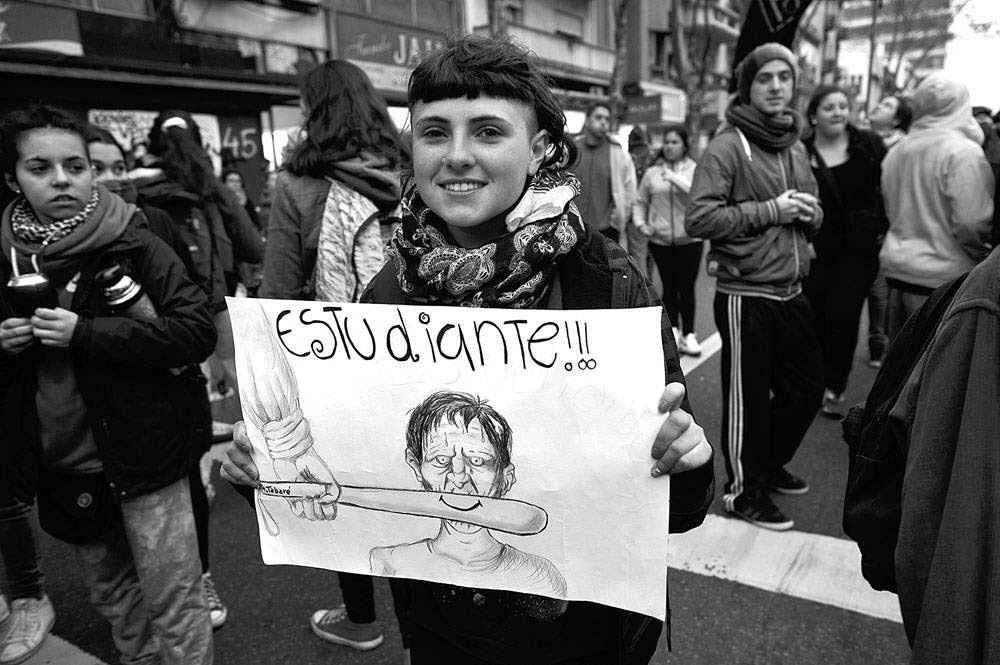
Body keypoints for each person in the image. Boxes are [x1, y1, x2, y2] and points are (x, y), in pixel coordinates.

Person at [224, 35, 714, 665]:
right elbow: (342, 484)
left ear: (538, 149)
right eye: (434, 132)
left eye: (487, 131)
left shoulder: (608, 283)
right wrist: (264, 473)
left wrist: (688, 462)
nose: (457, 156)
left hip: (582, 638)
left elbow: (674, 511)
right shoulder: (387, 291)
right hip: (440, 633)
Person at [0, 105, 216, 664]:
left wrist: (86, 333)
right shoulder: (4, 256)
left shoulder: (134, 240)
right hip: (63, 463)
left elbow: (193, 331)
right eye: (40, 168)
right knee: (116, 599)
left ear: (93, 173)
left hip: (146, 453)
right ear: (12, 179)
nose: (62, 180)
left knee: (176, 601)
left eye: (75, 166)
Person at [258, 57, 406, 655]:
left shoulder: (297, 187)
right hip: (414, 354)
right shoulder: (410, 172)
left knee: (347, 489)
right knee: (422, 480)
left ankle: (363, 618)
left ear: (311, 111)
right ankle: (426, 623)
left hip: (335, 363)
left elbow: (277, 294)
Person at [83, 125, 227, 630]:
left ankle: (201, 574)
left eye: (115, 167)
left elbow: (193, 311)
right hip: (96, 425)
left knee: (185, 498)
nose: (108, 179)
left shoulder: (153, 225)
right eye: (94, 167)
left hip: (168, 401)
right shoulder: (36, 253)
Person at [686, 42, 824, 531]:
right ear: (748, 86)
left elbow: (814, 208)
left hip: (792, 288)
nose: (776, 87)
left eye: (784, 78)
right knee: (748, 401)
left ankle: (765, 464)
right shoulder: (729, 145)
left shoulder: (795, 143)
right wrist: (772, 211)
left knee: (806, 391)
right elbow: (699, 217)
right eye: (765, 78)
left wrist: (810, 214)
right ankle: (743, 491)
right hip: (747, 295)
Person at [370, 391, 567, 599]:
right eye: (440, 460)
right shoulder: (389, 561)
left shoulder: (540, 576)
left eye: (477, 461)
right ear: (417, 467)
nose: (459, 478)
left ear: (506, 477)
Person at [129, 110, 263, 398]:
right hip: (217, 305)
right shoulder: (210, 190)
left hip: (158, 313)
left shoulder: (131, 191)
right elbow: (253, 248)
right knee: (239, 383)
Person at [880, 74, 994, 342]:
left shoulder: (898, 150)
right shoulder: (963, 152)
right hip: (944, 278)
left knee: (899, 368)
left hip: (897, 270)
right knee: (933, 374)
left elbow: (889, 208)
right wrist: (979, 253)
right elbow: (971, 221)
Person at [802, 86, 887, 418]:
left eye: (842, 106)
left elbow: (887, 188)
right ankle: (814, 378)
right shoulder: (800, 150)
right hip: (814, 248)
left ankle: (834, 384)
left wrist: (883, 227)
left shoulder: (868, 144)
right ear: (813, 116)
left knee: (843, 317)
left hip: (858, 250)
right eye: (828, 107)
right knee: (814, 317)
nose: (838, 112)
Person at [633, 125, 702, 356]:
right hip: (660, 240)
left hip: (690, 239)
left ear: (684, 145)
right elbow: (640, 201)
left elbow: (697, 194)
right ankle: (672, 330)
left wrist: (672, 177)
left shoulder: (695, 169)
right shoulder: (653, 173)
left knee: (687, 287)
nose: (669, 146)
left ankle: (690, 334)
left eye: (675, 142)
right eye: (667, 142)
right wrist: (641, 223)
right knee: (669, 287)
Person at [865, 93, 912, 369]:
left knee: (879, 290)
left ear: (896, 118)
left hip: (889, 227)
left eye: (886, 105)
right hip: (863, 227)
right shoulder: (859, 139)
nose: (877, 106)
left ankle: (877, 343)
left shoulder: (904, 146)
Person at [572, 102, 637, 247]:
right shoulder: (573, 150)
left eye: (607, 119)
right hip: (573, 229)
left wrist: (619, 218)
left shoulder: (618, 154)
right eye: (599, 117)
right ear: (587, 120)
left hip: (606, 231)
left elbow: (629, 188)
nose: (603, 122)